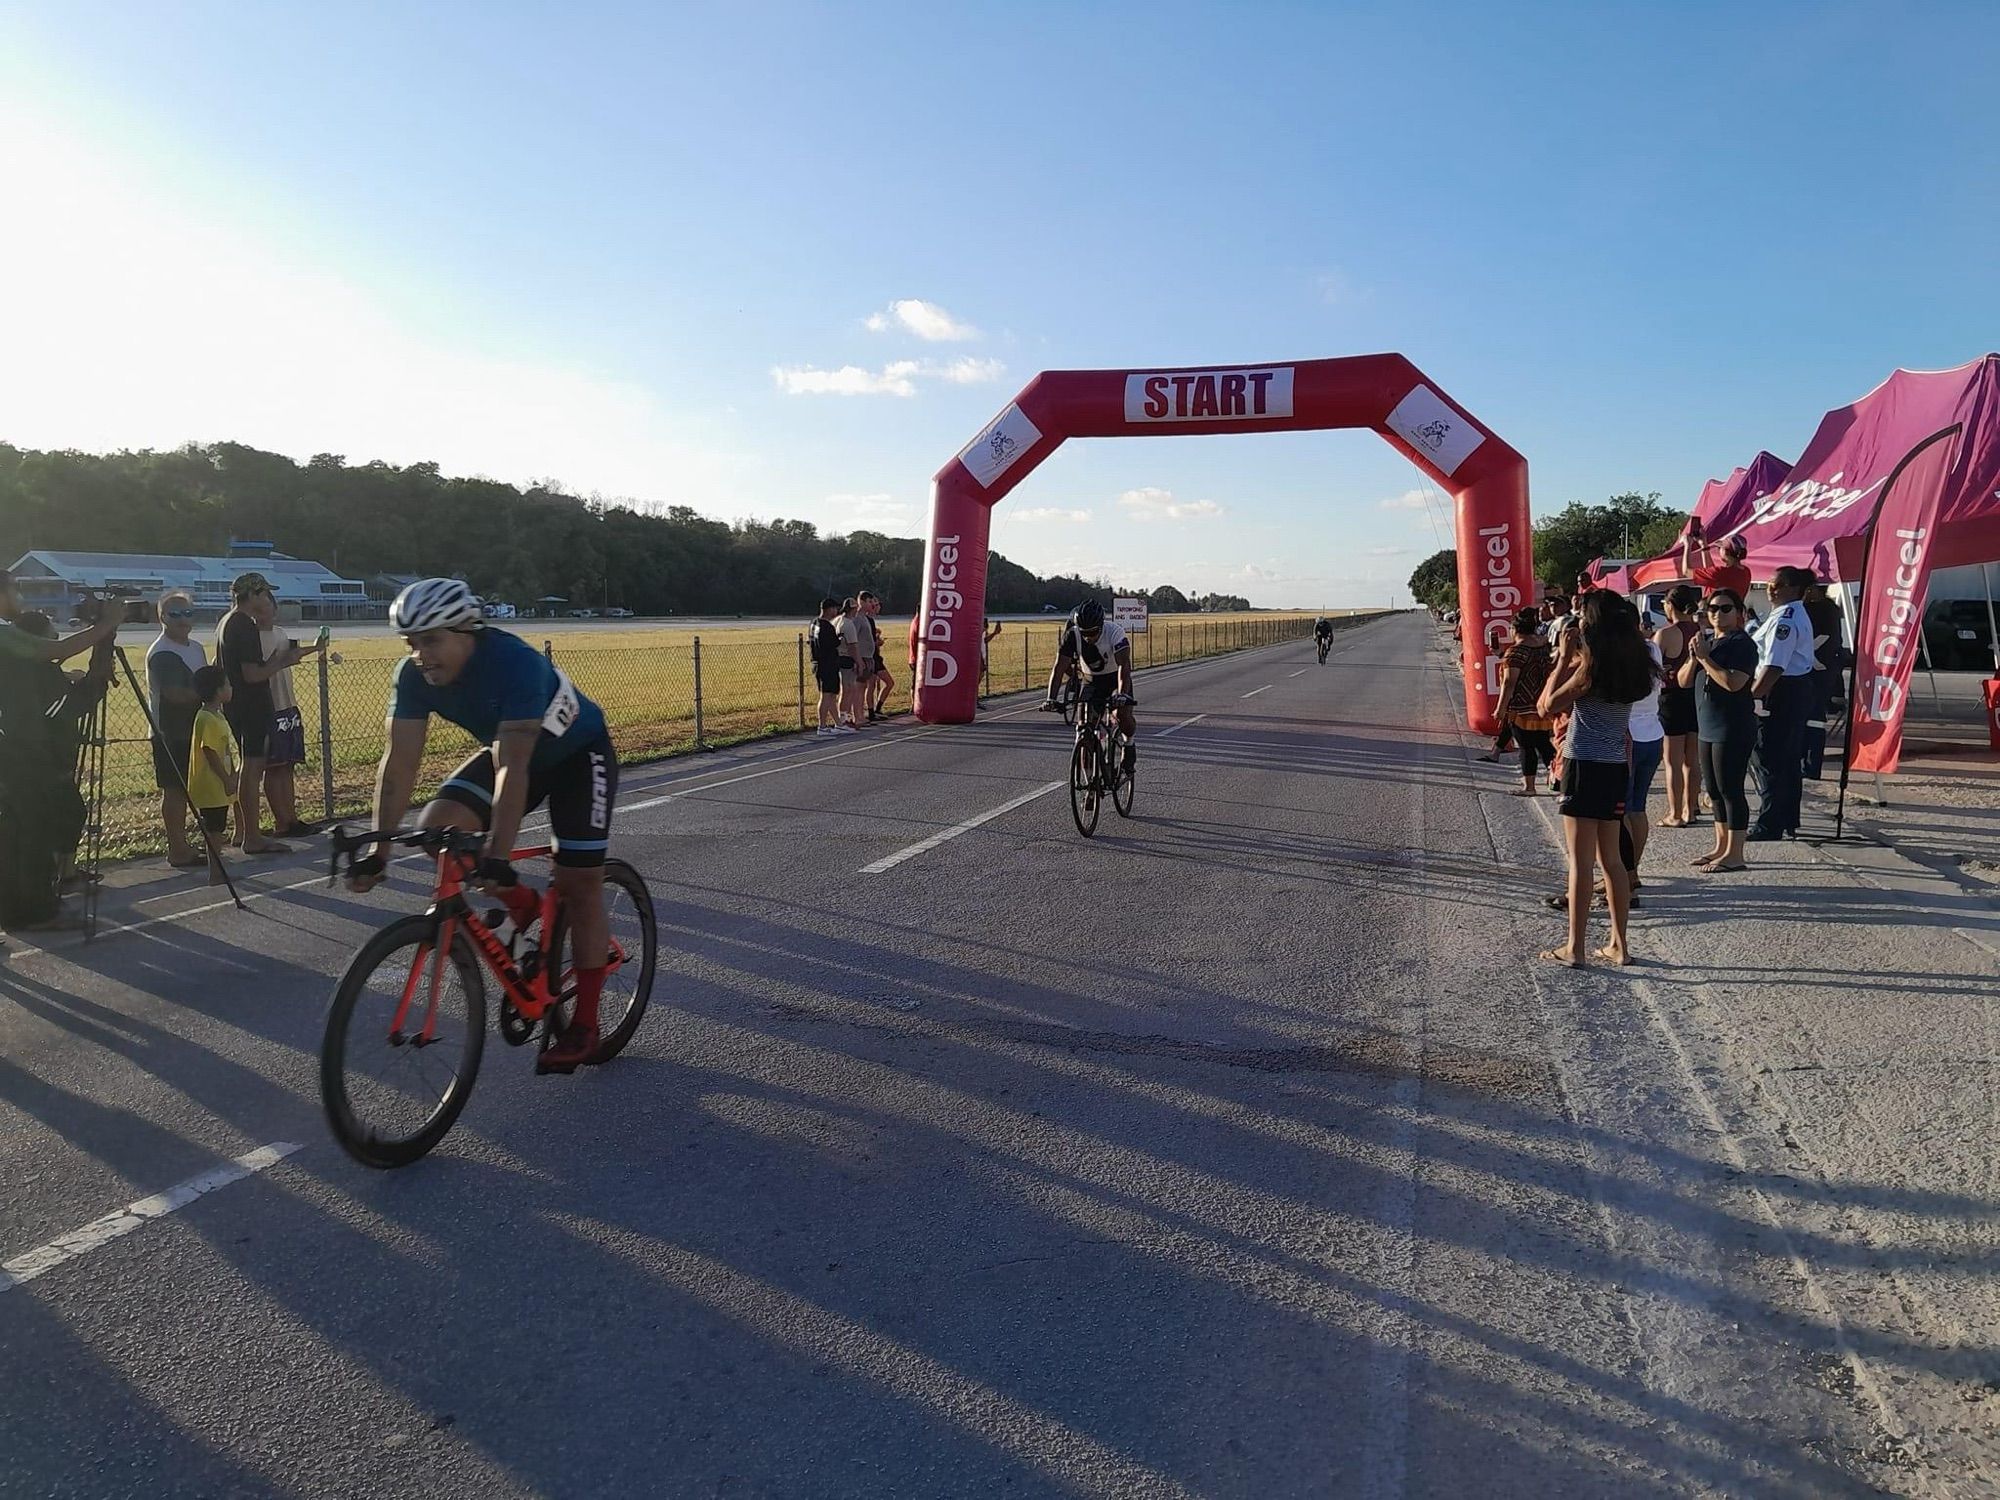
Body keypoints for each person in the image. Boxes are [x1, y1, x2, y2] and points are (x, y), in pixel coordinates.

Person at [350, 578, 619, 1074]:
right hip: (511, 752)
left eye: (431, 640)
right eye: (410, 643)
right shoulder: (411, 676)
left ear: (467, 631)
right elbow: (400, 761)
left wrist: (499, 851)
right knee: (438, 827)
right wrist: (380, 849)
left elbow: (513, 768)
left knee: (580, 883)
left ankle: (584, 1025)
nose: (420, 655)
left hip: (576, 755)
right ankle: (524, 902)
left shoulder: (513, 663)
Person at [1536, 590, 1653, 967]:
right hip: (1615, 764)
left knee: (1580, 863)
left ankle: (1575, 947)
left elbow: (1546, 706)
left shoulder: (1589, 667)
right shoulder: (1637, 664)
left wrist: (1563, 660)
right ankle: (1620, 944)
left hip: (1584, 763)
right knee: (1613, 862)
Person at [216, 572, 305, 855]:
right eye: (263, 594)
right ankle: (252, 836)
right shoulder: (243, 625)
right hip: (250, 704)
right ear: (252, 595)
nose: (267, 600)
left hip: (239, 703)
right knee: (253, 769)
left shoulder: (227, 622)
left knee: (249, 768)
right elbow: (252, 674)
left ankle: (245, 831)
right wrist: (282, 661)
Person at [1680, 587, 1760, 873]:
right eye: (1712, 609)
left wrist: (1705, 659)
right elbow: (1683, 682)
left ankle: (1735, 853)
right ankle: (1720, 845)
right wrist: (1694, 657)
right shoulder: (1708, 643)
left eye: (1725, 609)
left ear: (1738, 613)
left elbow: (1734, 683)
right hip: (1707, 725)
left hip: (1733, 727)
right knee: (1713, 790)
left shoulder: (1742, 644)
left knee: (1730, 789)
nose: (1717, 614)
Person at [1749, 565, 1818, 841]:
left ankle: (1770, 822)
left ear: (1792, 589)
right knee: (1787, 759)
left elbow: (1774, 666)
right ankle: (1787, 817)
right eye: (1769, 584)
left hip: (1781, 691)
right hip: (1791, 690)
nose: (1770, 589)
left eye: (1776, 585)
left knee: (1770, 756)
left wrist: (1750, 696)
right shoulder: (1786, 613)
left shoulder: (1786, 618)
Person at [253, 587, 325, 839]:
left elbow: (290, 656)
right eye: (257, 608)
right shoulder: (250, 638)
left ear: (275, 608)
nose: (262, 613)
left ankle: (291, 818)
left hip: (288, 705)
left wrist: (314, 649)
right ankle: (281, 821)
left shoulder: (280, 634)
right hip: (268, 707)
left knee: (288, 765)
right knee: (274, 766)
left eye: (266, 607)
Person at [146, 590, 208, 867]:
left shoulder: (196, 648)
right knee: (175, 790)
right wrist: (211, 691)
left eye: (187, 613)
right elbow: (174, 694)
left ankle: (193, 842)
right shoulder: (161, 653)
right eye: (175, 614)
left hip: (197, 729)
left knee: (194, 788)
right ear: (162, 617)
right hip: (170, 732)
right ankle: (177, 848)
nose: (183, 620)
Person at [1041, 600, 1137, 770]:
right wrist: (1051, 698)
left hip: (1116, 679)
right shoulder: (1072, 635)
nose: (1088, 637)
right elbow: (1059, 667)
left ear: (1101, 626)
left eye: (1093, 633)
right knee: (1084, 726)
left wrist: (1122, 695)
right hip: (1091, 680)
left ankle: (1129, 744)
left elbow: (1124, 666)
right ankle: (1090, 787)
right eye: (1084, 633)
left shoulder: (1115, 632)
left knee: (1122, 714)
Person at [1619, 620, 1668, 892]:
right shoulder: (1651, 649)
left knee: (1621, 812)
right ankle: (1633, 870)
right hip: (1652, 731)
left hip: (1628, 734)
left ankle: (1622, 874)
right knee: (1638, 807)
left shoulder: (1619, 653)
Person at [1493, 608, 1556, 796]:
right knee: (1545, 745)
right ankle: (1559, 778)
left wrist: (1500, 708)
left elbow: (1509, 682)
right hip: (1543, 705)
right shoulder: (1544, 645)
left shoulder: (1516, 652)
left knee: (1527, 747)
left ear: (1514, 629)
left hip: (1521, 708)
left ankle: (1529, 787)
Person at [187, 665, 239, 887]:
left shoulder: (217, 716)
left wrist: (233, 772)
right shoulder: (206, 718)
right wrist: (226, 778)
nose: (231, 688)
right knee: (214, 829)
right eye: (227, 685)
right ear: (218, 690)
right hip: (212, 783)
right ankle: (215, 872)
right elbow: (209, 751)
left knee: (219, 826)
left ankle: (218, 869)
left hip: (221, 781)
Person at [1654, 585, 1702, 827]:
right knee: (1692, 760)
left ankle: (1675, 814)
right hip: (1695, 697)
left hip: (1671, 699)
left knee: (1672, 761)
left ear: (1670, 605)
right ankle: (1690, 808)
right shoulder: (1700, 630)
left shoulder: (1665, 634)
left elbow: (1651, 668)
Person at [1801, 579, 1847, 780]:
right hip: (1825, 670)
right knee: (1813, 719)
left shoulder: (1812, 609)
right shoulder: (1832, 609)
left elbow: (1819, 639)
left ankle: (1809, 764)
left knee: (1811, 719)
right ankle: (1810, 764)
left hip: (1814, 670)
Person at [1681, 520, 1754, 601]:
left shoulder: (1720, 573)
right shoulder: (1746, 572)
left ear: (1726, 552)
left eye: (1720, 547)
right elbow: (1711, 573)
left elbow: (1686, 572)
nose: (1718, 549)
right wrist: (1703, 545)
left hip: (1715, 612)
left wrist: (1687, 545)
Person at [808, 597, 849, 736]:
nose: (836, 611)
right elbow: (833, 643)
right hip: (827, 663)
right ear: (829, 609)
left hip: (819, 662)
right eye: (835, 608)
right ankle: (822, 726)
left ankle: (838, 723)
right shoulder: (827, 626)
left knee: (831, 694)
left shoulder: (814, 623)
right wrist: (840, 638)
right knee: (826, 695)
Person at [836, 597, 871, 729]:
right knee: (848, 690)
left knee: (846, 690)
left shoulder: (837, 621)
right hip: (846, 658)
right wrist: (859, 662)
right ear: (853, 609)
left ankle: (844, 718)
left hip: (838, 657)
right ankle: (844, 719)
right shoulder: (849, 624)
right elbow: (853, 646)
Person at [860, 592, 894, 721]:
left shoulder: (871, 621)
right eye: (876, 605)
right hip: (871, 657)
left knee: (883, 684)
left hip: (876, 656)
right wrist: (877, 641)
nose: (878, 607)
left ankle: (876, 709)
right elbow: (868, 640)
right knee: (872, 685)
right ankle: (872, 711)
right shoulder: (866, 620)